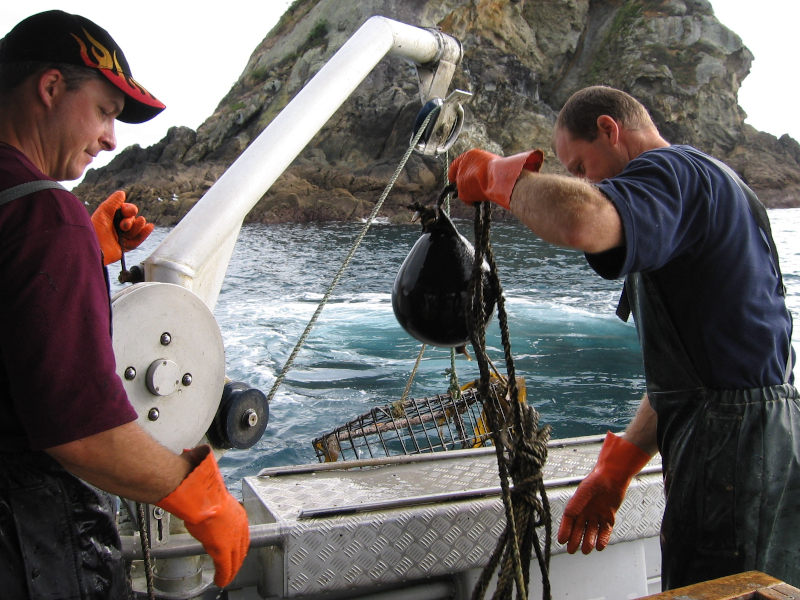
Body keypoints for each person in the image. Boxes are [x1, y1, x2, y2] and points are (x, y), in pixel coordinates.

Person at [448, 85, 798, 589]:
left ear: (611, 131)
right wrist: (619, 467)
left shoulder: (669, 173)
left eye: (579, 167)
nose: (581, 180)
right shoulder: (714, 189)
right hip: (754, 436)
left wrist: (499, 176)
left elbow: (581, 220)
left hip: (732, 451)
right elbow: (697, 374)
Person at [0, 11, 249, 598]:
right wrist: (202, 495)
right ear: (51, 87)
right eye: (106, 111)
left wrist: (78, 252)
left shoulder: (28, 218)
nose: (113, 138)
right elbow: (81, 431)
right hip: (26, 547)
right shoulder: (41, 217)